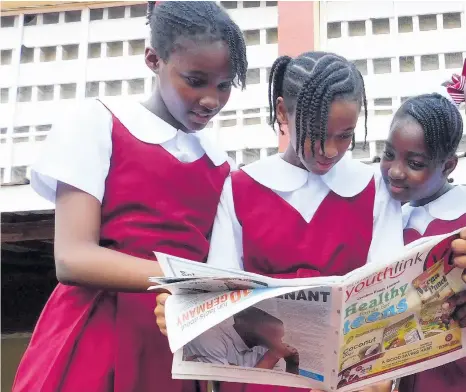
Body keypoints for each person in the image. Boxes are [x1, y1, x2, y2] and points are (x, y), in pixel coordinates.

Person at [12, 2, 247, 392]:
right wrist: (188, 280)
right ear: (153, 59)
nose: (211, 99)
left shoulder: (221, 165)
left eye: (224, 85)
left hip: (170, 345)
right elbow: (72, 257)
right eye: (195, 79)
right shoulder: (98, 121)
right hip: (96, 335)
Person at [158, 51, 403, 392]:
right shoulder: (241, 187)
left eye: (345, 135)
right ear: (284, 112)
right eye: (317, 133)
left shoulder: (375, 188)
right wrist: (185, 313)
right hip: (261, 379)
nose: (330, 150)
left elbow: (390, 298)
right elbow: (221, 294)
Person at [380, 93, 466, 392]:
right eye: (388, 153)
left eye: (415, 163)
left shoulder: (462, 216)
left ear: (448, 166)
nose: (395, 171)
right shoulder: (384, 214)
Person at [184, 307, 299, 374]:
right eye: (265, 317)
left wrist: (292, 365)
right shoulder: (209, 338)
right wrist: (269, 359)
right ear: (240, 319)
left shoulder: (266, 347)